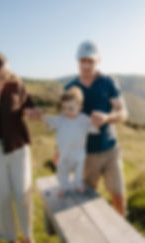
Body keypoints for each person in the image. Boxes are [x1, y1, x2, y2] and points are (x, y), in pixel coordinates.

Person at [65, 41, 128, 216]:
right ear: (77, 61)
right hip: (86, 154)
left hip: (110, 150)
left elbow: (123, 113)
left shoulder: (108, 83)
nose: (86, 65)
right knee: (88, 197)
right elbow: (66, 122)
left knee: (118, 195)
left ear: (98, 60)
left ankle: (121, 232)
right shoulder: (70, 88)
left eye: (90, 61)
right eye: (82, 60)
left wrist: (107, 118)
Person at [0, 49, 40, 243]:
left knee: (23, 192)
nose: (6, 79)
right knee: (0, 197)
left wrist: (31, 112)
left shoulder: (15, 85)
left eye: (7, 73)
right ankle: (10, 238)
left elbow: (28, 104)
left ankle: (27, 236)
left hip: (18, 146)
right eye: (0, 77)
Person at [44, 87, 98, 197]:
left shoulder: (84, 119)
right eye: (64, 108)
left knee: (79, 170)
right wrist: (43, 118)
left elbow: (94, 128)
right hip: (63, 152)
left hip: (78, 152)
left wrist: (95, 121)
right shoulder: (61, 118)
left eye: (71, 108)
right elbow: (51, 123)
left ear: (80, 107)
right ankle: (63, 186)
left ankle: (78, 184)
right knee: (62, 170)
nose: (67, 111)